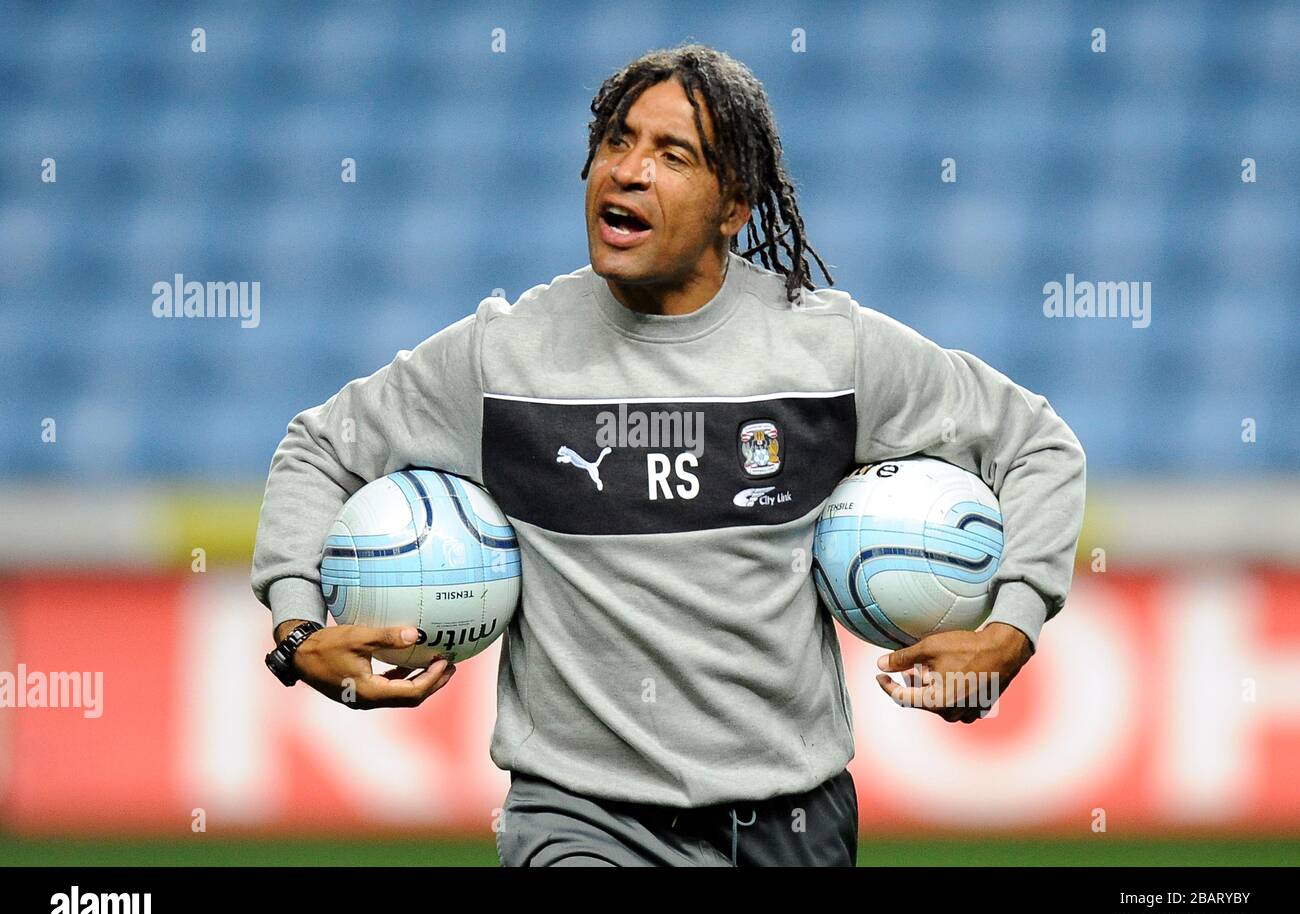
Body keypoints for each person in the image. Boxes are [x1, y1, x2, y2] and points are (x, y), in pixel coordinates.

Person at [251, 43, 1086, 867]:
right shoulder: (503, 359)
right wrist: (295, 628)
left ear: (734, 207)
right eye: (617, 141)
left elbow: (1036, 444)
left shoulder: (830, 354)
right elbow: (321, 447)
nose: (628, 169)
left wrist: (1012, 628)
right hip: (579, 819)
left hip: (793, 823)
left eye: (672, 154)